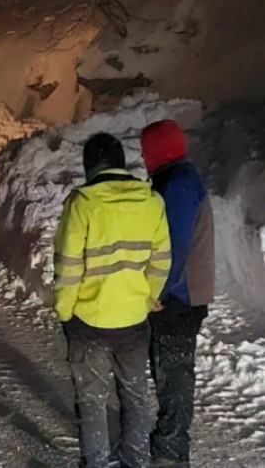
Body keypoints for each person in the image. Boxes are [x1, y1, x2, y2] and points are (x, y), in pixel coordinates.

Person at [53, 133, 172, 468]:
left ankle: (97, 462)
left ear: (89, 167)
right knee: (135, 397)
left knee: (91, 400)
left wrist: (65, 311)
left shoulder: (82, 204)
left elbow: (68, 268)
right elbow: (161, 260)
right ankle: (136, 461)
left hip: (89, 323)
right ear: (121, 163)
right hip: (134, 322)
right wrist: (147, 298)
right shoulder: (151, 202)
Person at [140, 120, 215, 467]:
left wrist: (159, 290)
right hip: (183, 294)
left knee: (173, 373)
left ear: (158, 150)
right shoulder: (177, 179)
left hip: (179, 297)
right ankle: (171, 447)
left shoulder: (178, 184)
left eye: (146, 151)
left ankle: (170, 453)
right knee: (170, 371)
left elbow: (175, 244)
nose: (143, 157)